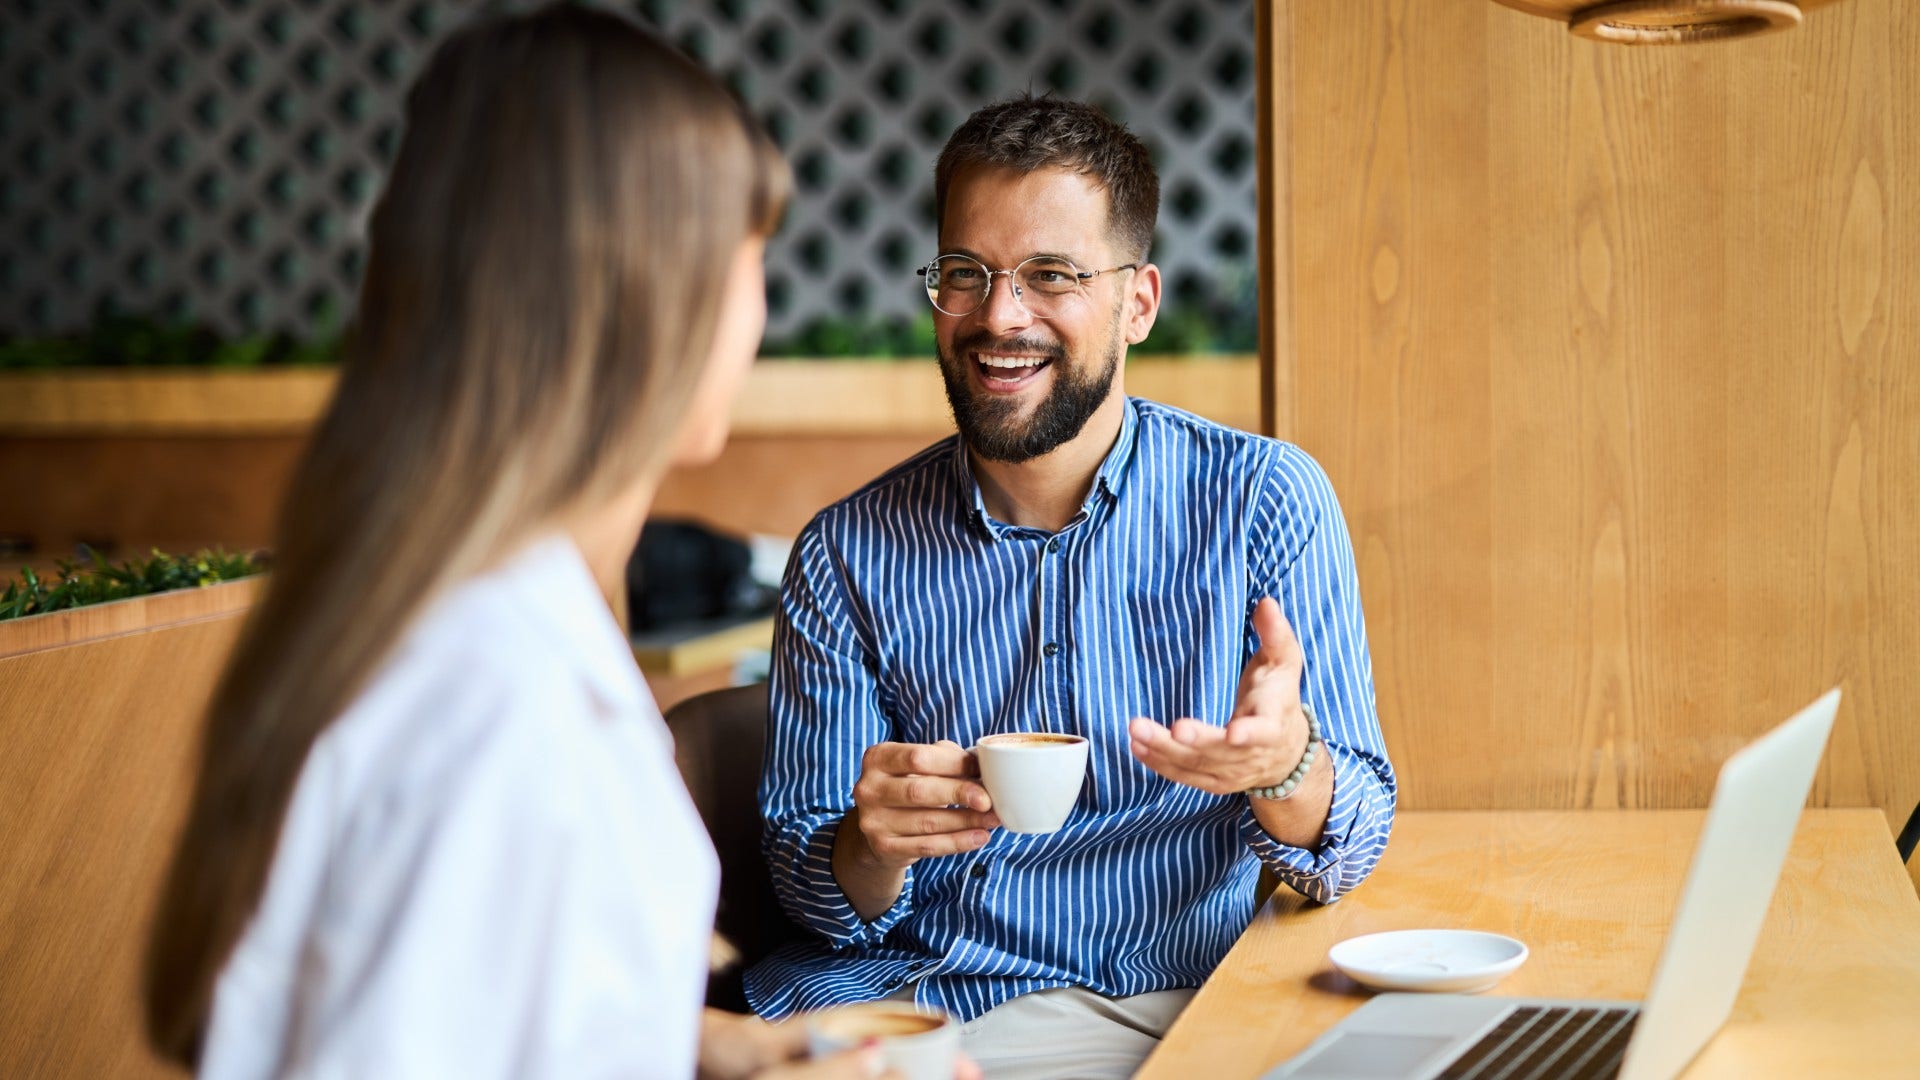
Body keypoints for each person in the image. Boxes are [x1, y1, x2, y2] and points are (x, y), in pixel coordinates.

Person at [142, 6, 899, 1078]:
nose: (761, 308)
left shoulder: (470, 620)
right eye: (749, 256)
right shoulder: (493, 699)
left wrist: (725, 1053)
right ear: (643, 293)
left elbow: (501, 1007)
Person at [748, 95, 1397, 1077]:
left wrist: (1283, 767)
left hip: (1186, 1002)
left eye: (1052, 275)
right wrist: (868, 844)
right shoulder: (844, 553)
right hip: (936, 1007)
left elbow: (1350, 843)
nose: (1000, 316)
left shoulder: (1266, 500)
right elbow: (818, 898)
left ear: (1138, 302)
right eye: (966, 275)